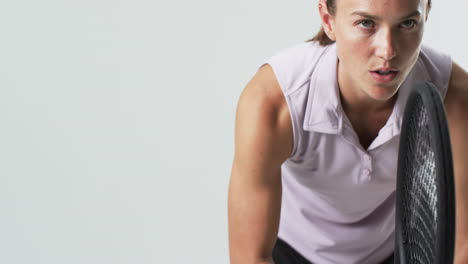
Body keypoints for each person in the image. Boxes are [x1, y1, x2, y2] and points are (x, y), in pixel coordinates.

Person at [228, 0, 468, 263]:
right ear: (328, 20)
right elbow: (250, 257)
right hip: (293, 251)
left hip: (395, 248)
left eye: (407, 23)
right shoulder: (274, 101)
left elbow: (463, 244)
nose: (387, 50)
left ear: (426, 15)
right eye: (366, 23)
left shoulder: (452, 94)